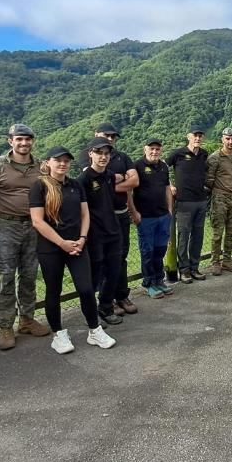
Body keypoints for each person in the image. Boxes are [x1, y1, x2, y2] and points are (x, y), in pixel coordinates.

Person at [29, 146, 116, 354]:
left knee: (86, 288)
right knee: (53, 291)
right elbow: (37, 221)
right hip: (51, 247)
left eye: (66, 160)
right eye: (58, 160)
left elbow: (85, 214)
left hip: (77, 245)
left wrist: (82, 238)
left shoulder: (75, 185)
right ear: (48, 162)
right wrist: (62, 243)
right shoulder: (39, 186)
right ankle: (58, 334)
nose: (62, 164)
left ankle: (94, 330)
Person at [0, 123, 50, 351]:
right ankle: (5, 326)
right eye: (19, 139)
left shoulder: (41, 167)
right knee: (6, 277)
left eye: (27, 139)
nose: (23, 143)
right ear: (10, 141)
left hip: (34, 226)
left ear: (33, 141)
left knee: (30, 275)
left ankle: (27, 319)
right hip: (6, 226)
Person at [78, 138, 125, 328]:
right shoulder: (83, 180)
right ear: (91, 154)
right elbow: (81, 211)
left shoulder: (109, 176)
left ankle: (106, 308)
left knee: (113, 272)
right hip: (95, 235)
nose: (103, 157)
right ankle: (91, 315)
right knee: (94, 276)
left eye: (106, 153)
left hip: (113, 230)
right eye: (99, 153)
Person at [95, 123, 139, 316]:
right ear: (96, 135)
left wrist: (109, 182)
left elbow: (135, 181)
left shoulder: (122, 157)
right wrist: (119, 179)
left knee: (121, 256)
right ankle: (106, 300)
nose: (111, 139)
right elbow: (92, 183)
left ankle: (122, 295)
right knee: (104, 259)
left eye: (114, 136)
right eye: (107, 135)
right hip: (102, 217)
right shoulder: (88, 154)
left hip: (121, 214)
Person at [167, 126, 209, 283]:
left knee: (198, 236)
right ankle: (184, 270)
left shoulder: (204, 154)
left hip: (201, 200)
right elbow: (163, 167)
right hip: (184, 202)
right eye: (195, 136)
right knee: (184, 236)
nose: (197, 138)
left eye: (200, 136)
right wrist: (170, 185)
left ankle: (194, 267)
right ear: (188, 136)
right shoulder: (178, 153)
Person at [133, 137, 174, 299]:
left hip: (163, 215)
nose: (154, 151)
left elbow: (167, 189)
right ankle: (149, 283)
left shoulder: (163, 166)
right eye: (151, 148)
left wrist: (170, 209)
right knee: (147, 251)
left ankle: (159, 280)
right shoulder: (137, 166)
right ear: (145, 149)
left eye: (157, 149)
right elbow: (130, 191)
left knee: (160, 250)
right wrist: (134, 212)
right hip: (146, 218)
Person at [205, 127, 232, 275]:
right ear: (222, 139)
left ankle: (227, 259)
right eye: (227, 138)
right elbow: (209, 180)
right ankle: (215, 261)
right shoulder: (215, 157)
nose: (230, 141)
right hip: (219, 198)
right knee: (217, 232)